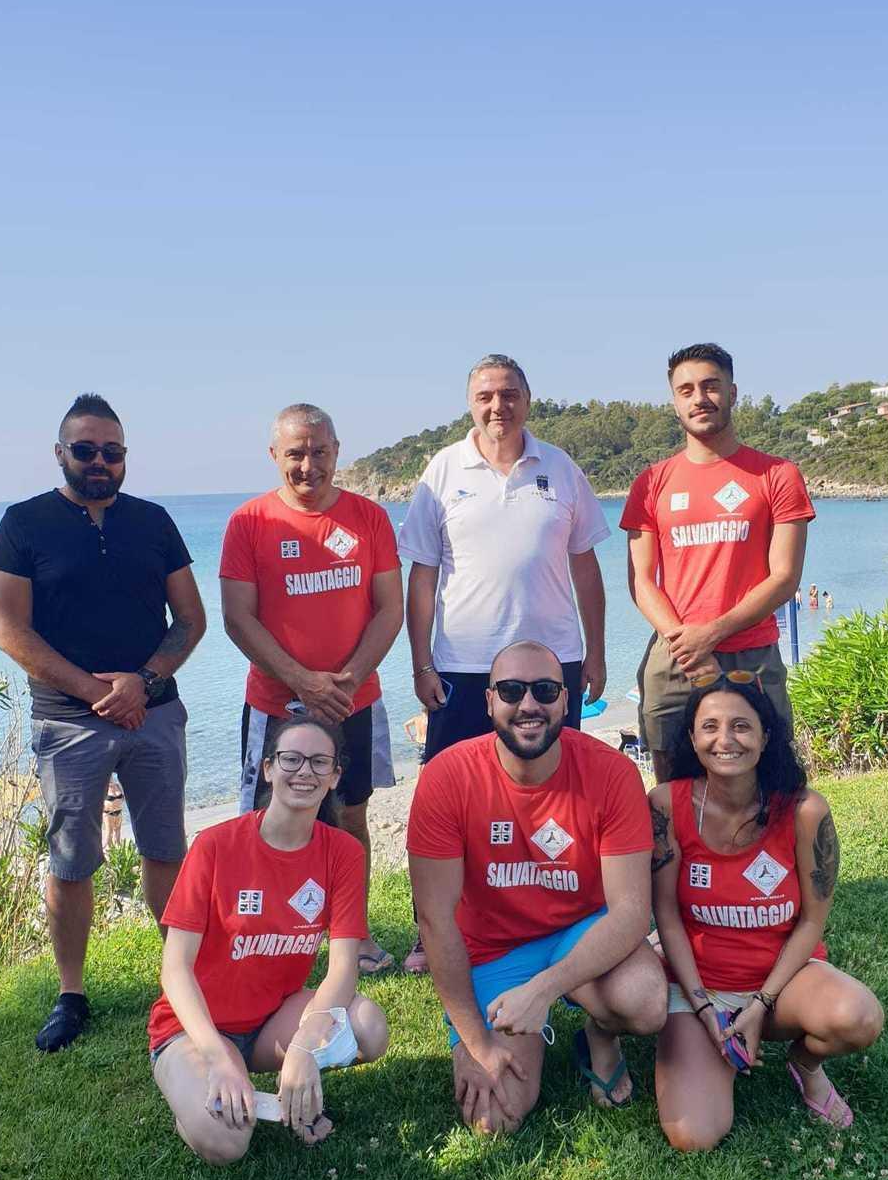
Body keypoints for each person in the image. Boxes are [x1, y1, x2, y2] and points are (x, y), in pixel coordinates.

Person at [0, 394, 206, 1052]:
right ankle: (71, 992)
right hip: (68, 725)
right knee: (72, 859)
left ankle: (183, 980)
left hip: (155, 715)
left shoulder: (155, 522)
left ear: (124, 457)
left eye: (112, 451)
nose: (100, 461)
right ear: (61, 454)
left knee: (166, 849)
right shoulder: (23, 524)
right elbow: (9, 631)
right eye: (86, 450)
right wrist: (95, 692)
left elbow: (192, 620)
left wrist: (141, 683)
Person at [398, 355, 610, 972]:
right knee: (447, 799)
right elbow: (423, 575)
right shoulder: (442, 470)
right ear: (471, 403)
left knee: (560, 796)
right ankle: (429, 927)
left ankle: (563, 912)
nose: (499, 406)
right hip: (464, 666)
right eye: (486, 395)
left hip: (553, 665)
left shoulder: (561, 468)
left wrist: (595, 651)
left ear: (527, 399)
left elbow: (586, 566)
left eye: (509, 394)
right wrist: (419, 661)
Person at [408, 641, 666, 1134]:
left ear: (566, 702)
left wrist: (543, 990)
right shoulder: (447, 777)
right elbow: (435, 922)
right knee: (494, 1118)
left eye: (545, 691)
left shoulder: (611, 773)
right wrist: (473, 1043)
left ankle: (600, 1035)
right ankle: (499, 1028)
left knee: (646, 1002)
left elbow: (631, 912)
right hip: (491, 953)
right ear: (489, 703)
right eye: (511, 690)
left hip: (579, 931)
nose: (529, 704)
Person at [650, 679, 883, 1149]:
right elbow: (667, 917)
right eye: (710, 727)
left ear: (766, 737)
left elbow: (812, 922)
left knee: (858, 1017)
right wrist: (702, 1007)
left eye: (741, 726)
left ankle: (804, 1064)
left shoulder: (804, 811)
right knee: (692, 1136)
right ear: (693, 739)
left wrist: (758, 1007)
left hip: (782, 985)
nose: (726, 739)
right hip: (700, 988)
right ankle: (705, 1050)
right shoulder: (665, 806)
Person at [148, 717, 389, 1165]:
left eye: (319, 762)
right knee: (227, 1142)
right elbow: (175, 969)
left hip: (272, 1022)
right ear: (267, 769)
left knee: (369, 1027)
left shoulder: (342, 853)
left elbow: (343, 968)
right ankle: (197, 1096)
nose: (304, 772)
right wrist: (217, 1055)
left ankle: (281, 1084)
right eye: (291, 759)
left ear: (335, 775)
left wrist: (304, 1046)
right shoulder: (215, 846)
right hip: (192, 1028)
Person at [220, 403, 403, 977]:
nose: (308, 465)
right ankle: (264, 939)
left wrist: (344, 682)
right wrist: (302, 681)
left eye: (319, 452)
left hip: (356, 701)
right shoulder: (249, 522)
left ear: (336, 451)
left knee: (350, 818)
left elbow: (389, 609)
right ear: (275, 455)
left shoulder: (368, 518)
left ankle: (356, 935)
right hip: (273, 705)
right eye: (295, 453)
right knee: (268, 821)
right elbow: (237, 619)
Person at [622, 344, 815, 780]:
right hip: (675, 656)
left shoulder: (777, 475)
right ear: (674, 402)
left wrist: (711, 634)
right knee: (672, 789)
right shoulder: (651, 482)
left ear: (733, 392)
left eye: (711, 386)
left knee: (773, 780)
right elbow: (641, 579)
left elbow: (784, 578)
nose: (699, 398)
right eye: (686, 389)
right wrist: (685, 644)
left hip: (752, 654)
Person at [103, 779, 124, 854]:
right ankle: (107, 853)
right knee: (109, 834)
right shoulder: (103, 786)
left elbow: (123, 798)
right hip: (109, 814)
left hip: (119, 813)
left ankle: (118, 856)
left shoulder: (117, 785)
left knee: (118, 836)